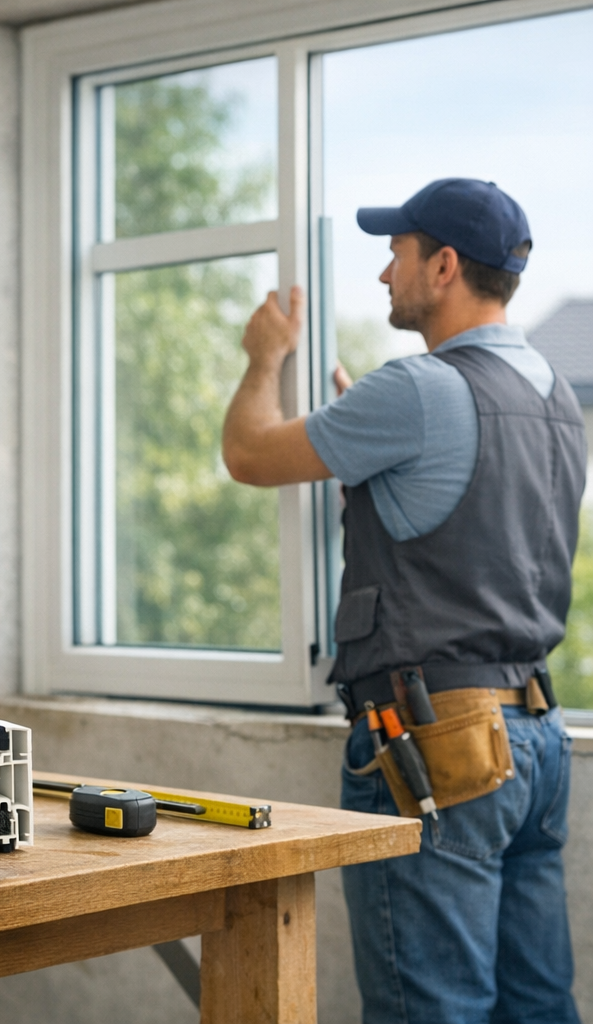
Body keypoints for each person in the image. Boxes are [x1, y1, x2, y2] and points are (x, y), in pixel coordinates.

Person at [222, 178, 586, 1024]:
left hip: (439, 741)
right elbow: (469, 523)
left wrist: (265, 357)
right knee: (537, 1008)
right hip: (535, 737)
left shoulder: (419, 389)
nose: (386, 274)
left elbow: (248, 453)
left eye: (398, 252)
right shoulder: (559, 400)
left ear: (446, 265)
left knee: (434, 1013)